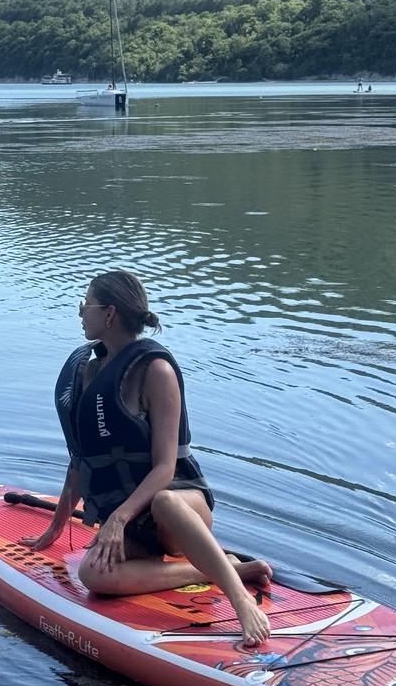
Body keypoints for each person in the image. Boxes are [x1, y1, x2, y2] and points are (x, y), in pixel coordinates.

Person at [23, 270, 272, 647]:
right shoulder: (88, 373)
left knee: (164, 500)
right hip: (136, 523)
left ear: (109, 314)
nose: (80, 313)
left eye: (86, 305)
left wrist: (117, 519)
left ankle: (240, 599)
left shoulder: (156, 371)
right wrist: (53, 530)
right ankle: (218, 568)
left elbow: (166, 468)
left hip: (179, 509)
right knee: (93, 574)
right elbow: (81, 462)